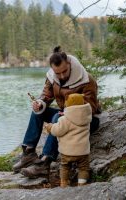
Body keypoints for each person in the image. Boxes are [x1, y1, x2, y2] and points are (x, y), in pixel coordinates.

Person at [13, 46, 101, 178]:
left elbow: (91, 108)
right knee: (38, 112)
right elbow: (46, 96)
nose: (62, 76)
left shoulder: (87, 80)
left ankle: (44, 163)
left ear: (69, 63)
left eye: (64, 71)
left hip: (87, 120)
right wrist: (40, 103)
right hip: (65, 115)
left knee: (57, 117)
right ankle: (29, 153)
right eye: (58, 73)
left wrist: (68, 114)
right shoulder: (52, 77)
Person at [44, 93, 92, 187]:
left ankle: (64, 183)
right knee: (83, 168)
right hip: (83, 151)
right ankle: (81, 184)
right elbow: (75, 115)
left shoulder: (64, 119)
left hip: (67, 152)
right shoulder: (87, 118)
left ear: (68, 105)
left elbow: (57, 131)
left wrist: (49, 127)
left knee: (65, 166)